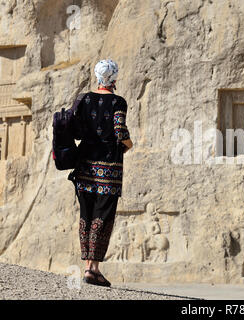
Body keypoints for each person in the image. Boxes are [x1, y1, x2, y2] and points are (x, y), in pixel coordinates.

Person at [73, 59, 133, 287]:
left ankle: (87, 267)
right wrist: (129, 145)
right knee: (102, 217)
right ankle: (94, 268)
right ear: (114, 78)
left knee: (86, 216)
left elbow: (76, 130)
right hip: (109, 171)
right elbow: (119, 130)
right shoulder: (118, 101)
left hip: (84, 167)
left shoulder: (83, 99)